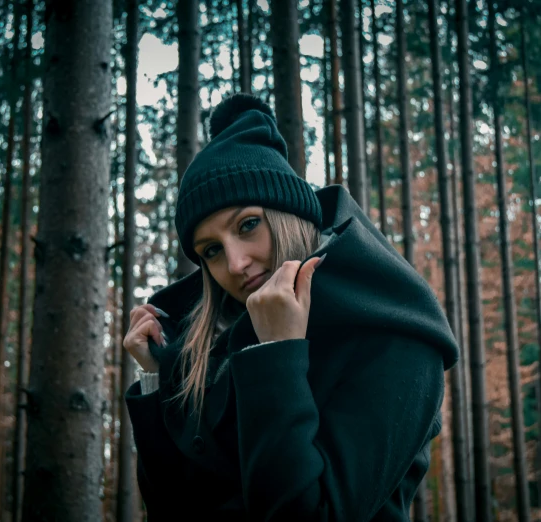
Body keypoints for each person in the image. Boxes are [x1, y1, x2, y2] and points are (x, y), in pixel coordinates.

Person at [122, 93, 459, 521]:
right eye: (211, 251)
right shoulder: (215, 346)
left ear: (289, 214)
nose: (235, 263)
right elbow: (171, 509)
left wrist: (276, 352)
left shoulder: (395, 337)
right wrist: (157, 379)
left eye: (248, 225)